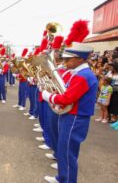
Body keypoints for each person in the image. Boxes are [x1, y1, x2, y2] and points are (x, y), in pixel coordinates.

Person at [42, 42, 98, 183]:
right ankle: (62, 178)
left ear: (80, 59)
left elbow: (68, 98)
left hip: (75, 117)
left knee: (68, 154)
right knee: (63, 150)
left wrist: (49, 96)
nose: (65, 62)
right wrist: (54, 93)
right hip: (71, 115)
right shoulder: (78, 73)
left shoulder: (83, 76)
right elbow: (67, 92)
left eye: (68, 59)